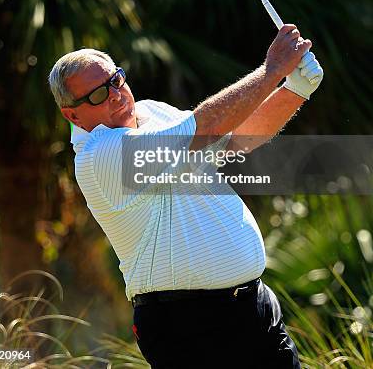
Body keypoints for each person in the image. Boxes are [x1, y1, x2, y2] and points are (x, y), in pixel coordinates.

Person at [48, 24, 323, 369]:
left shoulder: (153, 113)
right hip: (186, 326)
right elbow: (200, 129)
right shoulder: (100, 155)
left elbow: (236, 140)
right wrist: (272, 71)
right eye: (98, 95)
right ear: (72, 114)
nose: (115, 95)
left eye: (115, 80)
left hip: (254, 308)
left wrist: (294, 90)